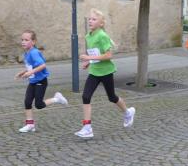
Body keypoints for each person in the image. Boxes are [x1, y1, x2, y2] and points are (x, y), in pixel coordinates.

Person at [75, 9, 136, 139]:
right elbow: (95, 53)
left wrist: (88, 58)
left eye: (94, 19)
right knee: (86, 96)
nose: (90, 21)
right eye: (89, 19)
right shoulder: (88, 36)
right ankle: (87, 128)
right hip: (94, 72)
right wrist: (89, 62)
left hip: (106, 72)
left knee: (112, 97)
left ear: (101, 23)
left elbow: (108, 55)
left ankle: (128, 112)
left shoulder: (102, 36)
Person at [14, 31, 68, 133]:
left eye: (26, 40)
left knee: (39, 105)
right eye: (22, 40)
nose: (23, 42)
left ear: (33, 42)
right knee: (27, 102)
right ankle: (30, 125)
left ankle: (57, 99)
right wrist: (23, 72)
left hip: (41, 81)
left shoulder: (34, 53)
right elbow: (31, 67)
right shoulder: (26, 53)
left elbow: (42, 65)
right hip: (33, 81)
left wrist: (30, 73)